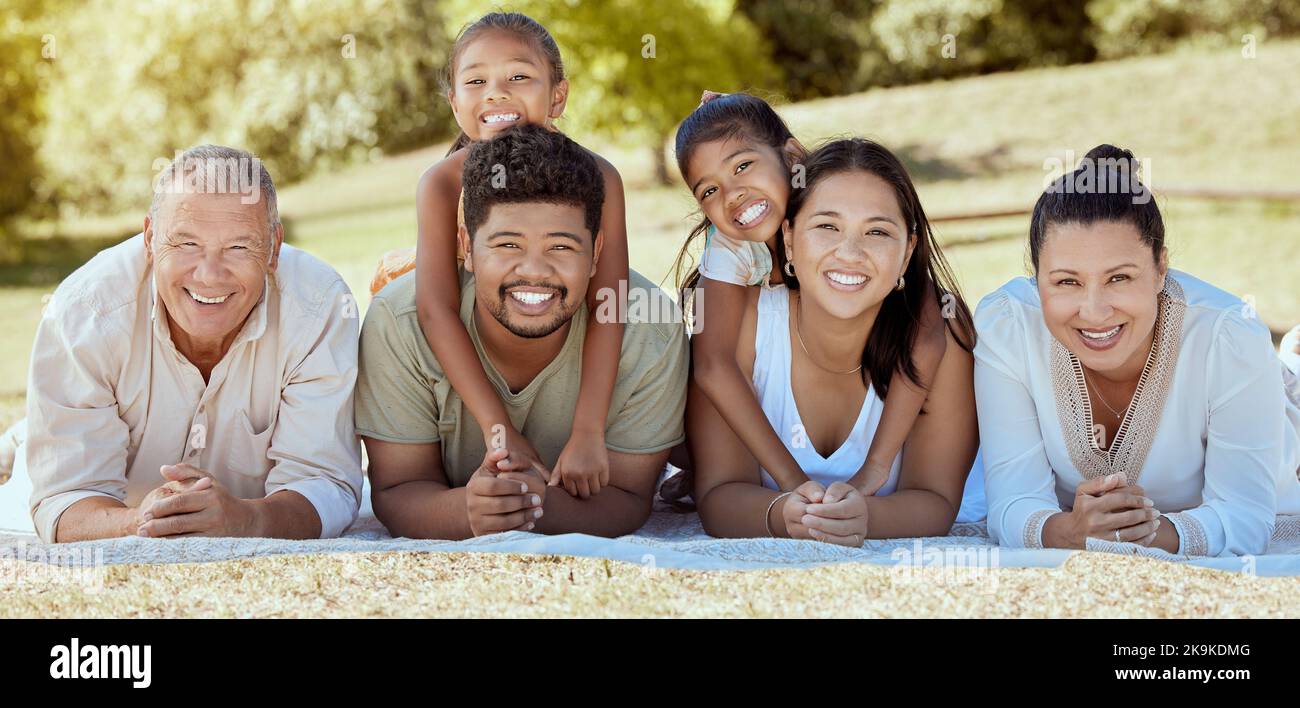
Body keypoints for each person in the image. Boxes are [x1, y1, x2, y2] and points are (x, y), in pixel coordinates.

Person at [0, 144, 362, 542]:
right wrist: (142, 520)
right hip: (89, 483)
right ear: (151, 239)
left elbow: (325, 484)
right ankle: (21, 439)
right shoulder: (85, 312)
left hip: (247, 499)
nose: (209, 276)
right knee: (28, 459)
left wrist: (247, 519)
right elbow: (66, 500)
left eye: (238, 247)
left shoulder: (319, 306)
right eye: (186, 244)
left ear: (274, 248)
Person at [355, 124, 688, 540]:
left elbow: (628, 496)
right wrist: (467, 511)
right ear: (467, 248)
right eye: (508, 245)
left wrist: (537, 507)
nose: (534, 270)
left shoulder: (649, 332)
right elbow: (397, 489)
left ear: (597, 251)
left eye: (561, 247)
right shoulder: (398, 324)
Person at [975, 144, 1300, 556]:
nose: (1094, 312)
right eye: (1066, 282)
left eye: (1119, 278)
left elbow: (1244, 518)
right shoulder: (1007, 326)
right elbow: (1010, 500)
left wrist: (1141, 533)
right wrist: (1070, 530)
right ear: (1035, 277)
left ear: (1161, 269)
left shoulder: (1229, 336)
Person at [691, 138, 983, 544]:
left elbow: (935, 500)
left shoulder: (942, 337)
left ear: (907, 251)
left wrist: (868, 517)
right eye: (827, 226)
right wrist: (781, 515)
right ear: (789, 238)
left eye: (877, 232)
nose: (850, 252)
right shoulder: (744, 326)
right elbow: (719, 496)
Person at [671, 92, 948, 502]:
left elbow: (928, 334)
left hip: (841, 378)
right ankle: (701, 464)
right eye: (709, 191)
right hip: (760, 396)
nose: (733, 196)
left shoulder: (841, 201)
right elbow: (714, 365)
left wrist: (875, 468)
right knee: (682, 408)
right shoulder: (729, 246)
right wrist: (792, 482)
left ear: (793, 155)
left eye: (743, 166)